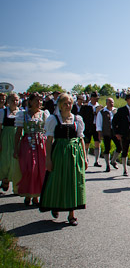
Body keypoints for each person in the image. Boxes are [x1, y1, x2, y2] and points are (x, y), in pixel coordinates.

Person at [39, 93, 87, 226]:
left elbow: (81, 139)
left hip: (74, 154)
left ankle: (71, 214)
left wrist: (84, 157)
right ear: (60, 105)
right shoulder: (54, 119)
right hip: (59, 153)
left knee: (73, 180)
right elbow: (49, 141)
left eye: (70, 103)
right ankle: (55, 204)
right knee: (58, 179)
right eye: (65, 103)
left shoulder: (77, 119)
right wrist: (48, 159)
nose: (68, 106)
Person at [13, 92, 50, 205]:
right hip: (27, 144)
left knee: (40, 170)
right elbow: (19, 132)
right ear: (30, 101)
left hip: (41, 144)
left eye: (40, 100)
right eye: (36, 100)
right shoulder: (23, 114)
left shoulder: (44, 114)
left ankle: (36, 195)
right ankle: (28, 193)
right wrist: (15, 148)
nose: (39, 102)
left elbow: (48, 132)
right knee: (29, 169)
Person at [0, 93, 23, 193]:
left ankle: (16, 185)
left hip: (17, 136)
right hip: (6, 136)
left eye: (16, 100)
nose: (15, 102)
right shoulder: (3, 112)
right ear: (8, 101)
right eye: (12, 100)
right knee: (5, 159)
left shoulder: (21, 112)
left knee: (16, 160)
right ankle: (5, 178)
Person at [96, 97, 121, 172]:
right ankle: (107, 165)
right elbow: (99, 123)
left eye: (112, 102)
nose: (111, 104)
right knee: (107, 148)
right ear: (106, 103)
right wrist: (99, 133)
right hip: (106, 132)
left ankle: (113, 160)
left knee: (119, 147)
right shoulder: (102, 112)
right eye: (110, 102)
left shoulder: (116, 111)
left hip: (115, 132)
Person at [80, 92, 101, 166]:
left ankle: (97, 160)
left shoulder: (100, 107)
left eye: (97, 98)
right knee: (86, 144)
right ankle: (86, 158)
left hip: (97, 127)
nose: (96, 99)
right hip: (88, 127)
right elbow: (81, 117)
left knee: (97, 143)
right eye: (95, 98)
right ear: (91, 98)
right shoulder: (85, 106)